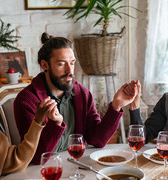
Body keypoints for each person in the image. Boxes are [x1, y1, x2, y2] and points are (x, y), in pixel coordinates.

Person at [14, 32, 139, 164]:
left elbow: (97, 140)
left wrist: (116, 106)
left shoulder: (82, 94)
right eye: (61, 64)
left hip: (76, 166)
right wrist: (56, 124)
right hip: (41, 171)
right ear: (45, 65)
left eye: (72, 63)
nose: (69, 70)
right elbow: (36, 158)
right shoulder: (26, 101)